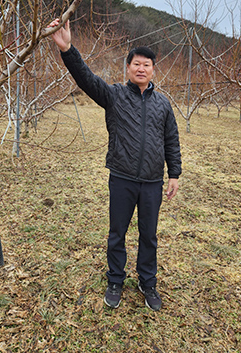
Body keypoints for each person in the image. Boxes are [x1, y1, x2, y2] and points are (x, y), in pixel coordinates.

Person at [49, 18, 182, 311]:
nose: (141, 68)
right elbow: (86, 79)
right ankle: (115, 280)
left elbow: (171, 140)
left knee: (149, 235)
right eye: (136, 63)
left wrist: (174, 174)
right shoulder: (115, 96)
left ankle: (148, 283)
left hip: (151, 182)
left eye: (146, 64)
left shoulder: (163, 104)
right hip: (121, 178)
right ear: (128, 67)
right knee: (117, 233)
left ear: (152, 70)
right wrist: (68, 49)